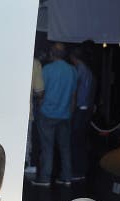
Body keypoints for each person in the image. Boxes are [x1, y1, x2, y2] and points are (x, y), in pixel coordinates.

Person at [32, 42, 76, 187]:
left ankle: (45, 178)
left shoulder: (47, 69)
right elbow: (74, 95)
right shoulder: (72, 70)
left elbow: (41, 92)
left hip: (47, 113)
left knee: (47, 148)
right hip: (65, 114)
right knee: (65, 148)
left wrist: (39, 106)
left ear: (52, 53)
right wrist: (71, 112)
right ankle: (66, 177)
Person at [69, 46, 95, 181]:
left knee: (76, 142)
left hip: (80, 109)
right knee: (81, 141)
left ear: (74, 57)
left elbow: (76, 91)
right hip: (86, 109)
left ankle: (77, 172)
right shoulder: (87, 70)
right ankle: (81, 171)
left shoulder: (79, 70)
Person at [25, 56, 44, 174]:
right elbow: (39, 91)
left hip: (2, 111)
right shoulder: (34, 63)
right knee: (25, 143)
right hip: (25, 111)